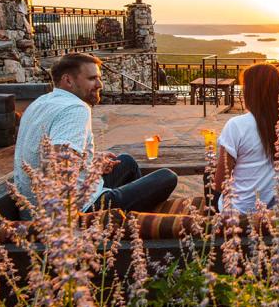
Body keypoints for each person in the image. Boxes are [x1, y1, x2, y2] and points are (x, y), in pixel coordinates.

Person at [13, 53, 177, 219]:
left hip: (34, 209)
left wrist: (90, 162)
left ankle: (131, 218)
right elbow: (59, 169)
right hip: (77, 212)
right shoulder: (75, 109)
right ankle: (128, 225)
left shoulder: (39, 103)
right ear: (68, 80)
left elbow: (49, 156)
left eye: (99, 78)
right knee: (167, 177)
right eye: (92, 78)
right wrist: (93, 168)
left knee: (126, 162)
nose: (100, 84)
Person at [213, 63, 279, 214]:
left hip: (237, 212)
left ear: (251, 92)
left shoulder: (236, 125)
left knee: (208, 178)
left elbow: (220, 182)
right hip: (271, 208)